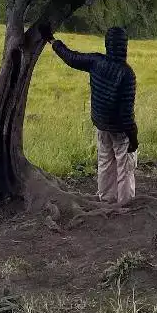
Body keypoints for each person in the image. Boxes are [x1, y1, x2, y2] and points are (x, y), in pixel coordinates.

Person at [39, 21, 138, 205]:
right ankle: (125, 205)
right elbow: (126, 115)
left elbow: (71, 57)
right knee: (125, 167)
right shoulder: (127, 74)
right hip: (120, 130)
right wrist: (134, 139)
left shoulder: (96, 61)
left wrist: (52, 41)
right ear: (125, 46)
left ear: (107, 45)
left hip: (100, 124)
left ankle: (106, 199)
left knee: (105, 164)